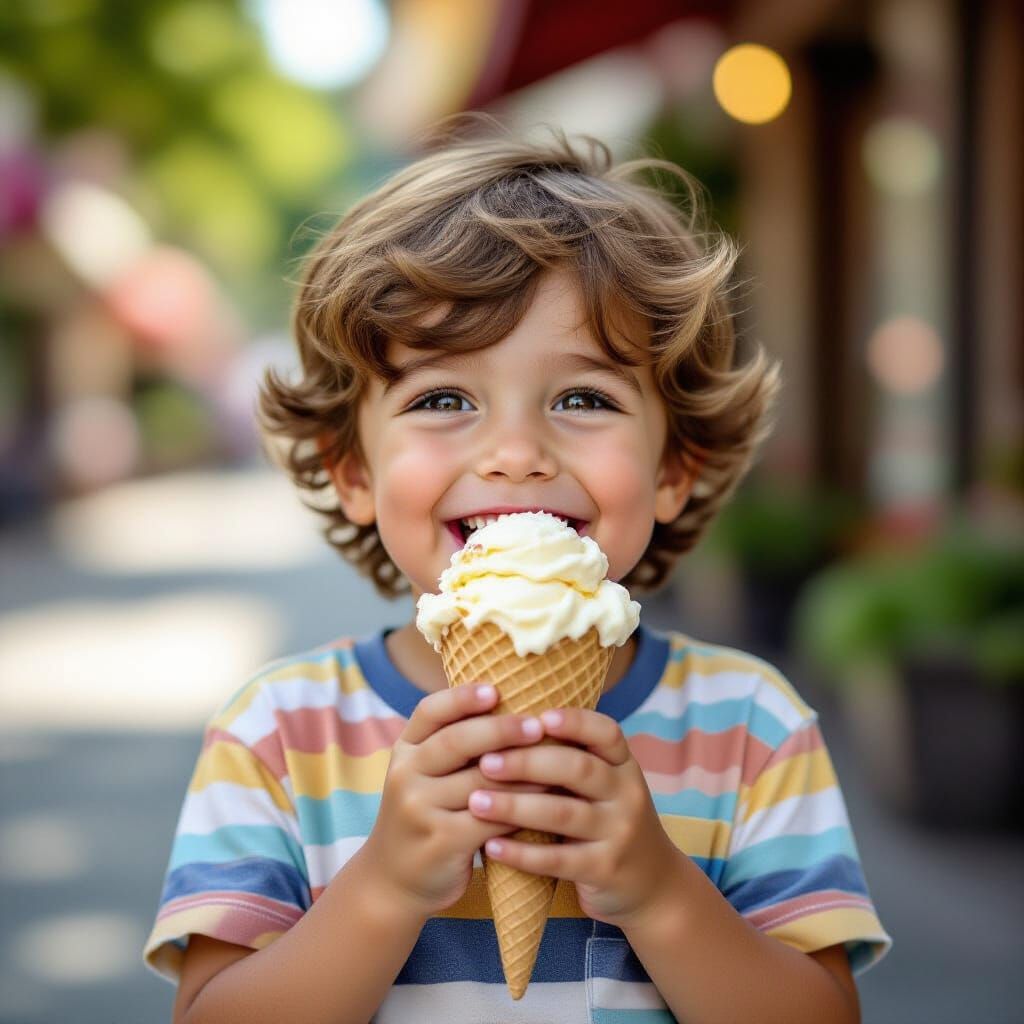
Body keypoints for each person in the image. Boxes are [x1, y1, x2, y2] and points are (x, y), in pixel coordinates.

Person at [144, 118, 891, 1023]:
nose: (514, 451)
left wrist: (659, 890)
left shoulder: (751, 730)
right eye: (443, 398)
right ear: (354, 472)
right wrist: (381, 885)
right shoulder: (277, 735)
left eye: (583, 397)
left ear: (671, 469)